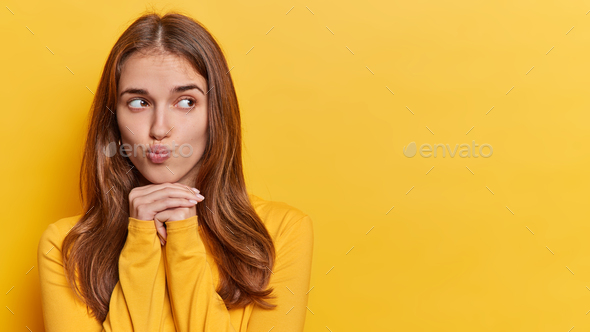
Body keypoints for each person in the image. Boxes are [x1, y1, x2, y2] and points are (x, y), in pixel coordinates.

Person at [36, 11, 314, 332]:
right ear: (113, 118)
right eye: (139, 103)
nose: (160, 128)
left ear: (216, 113)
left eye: (185, 102)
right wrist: (141, 239)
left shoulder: (282, 232)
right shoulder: (66, 247)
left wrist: (183, 235)